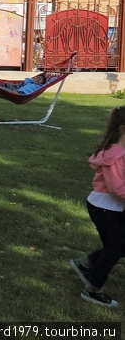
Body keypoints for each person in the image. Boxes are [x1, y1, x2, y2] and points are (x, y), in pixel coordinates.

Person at [69, 106, 125, 308]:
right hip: (104, 208)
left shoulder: (121, 151)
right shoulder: (113, 156)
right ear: (122, 128)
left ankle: (86, 263)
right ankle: (93, 290)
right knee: (113, 250)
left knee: (121, 246)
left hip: (116, 207)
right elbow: (116, 187)